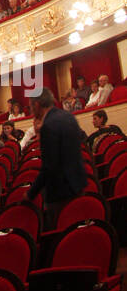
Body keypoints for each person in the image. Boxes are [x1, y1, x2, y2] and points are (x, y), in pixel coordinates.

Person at [25, 88, 87, 226]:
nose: (30, 111)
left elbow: (49, 167)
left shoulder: (48, 126)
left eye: (30, 106)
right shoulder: (68, 117)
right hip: (78, 185)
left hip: (60, 192)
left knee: (63, 237)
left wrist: (30, 194)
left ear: (37, 104)